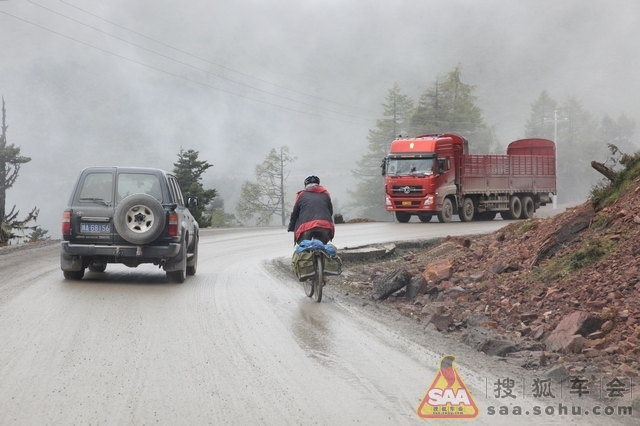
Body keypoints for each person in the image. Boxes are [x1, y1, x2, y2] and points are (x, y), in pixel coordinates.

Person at [287, 175, 334, 244]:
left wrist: (291, 227)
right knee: (322, 247)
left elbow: (295, 214)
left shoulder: (301, 195)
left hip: (306, 227)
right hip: (325, 226)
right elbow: (330, 212)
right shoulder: (325, 195)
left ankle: (305, 254)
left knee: (304, 248)